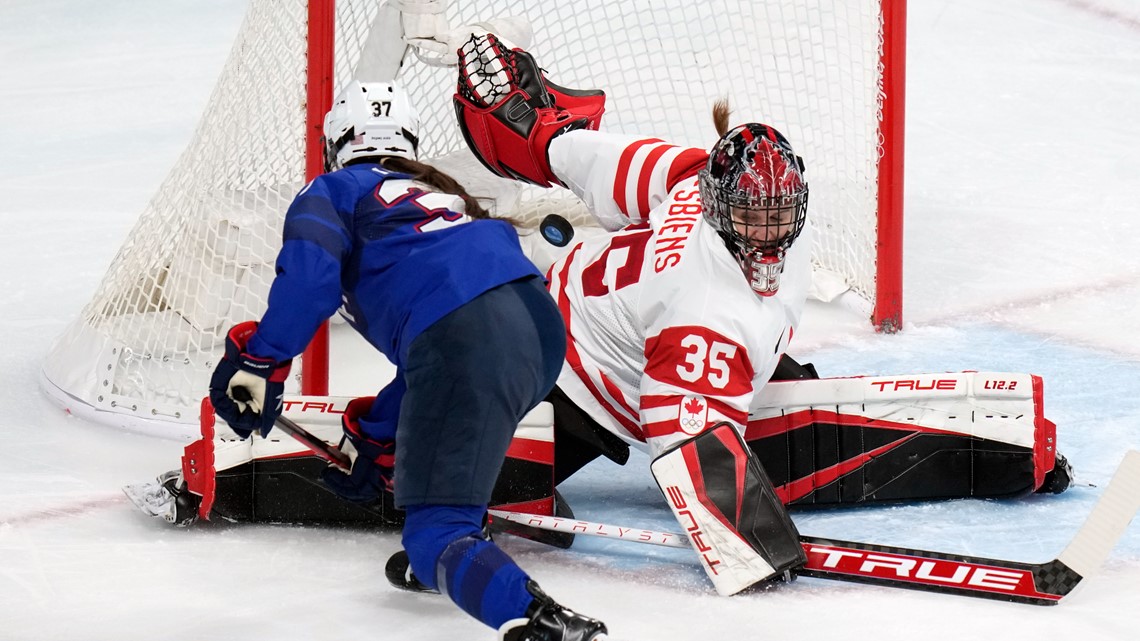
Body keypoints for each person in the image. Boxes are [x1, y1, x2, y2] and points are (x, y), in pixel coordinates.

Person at [207, 79, 608, 641]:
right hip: (539, 333)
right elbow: (443, 359)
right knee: (452, 455)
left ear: (336, 143)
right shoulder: (444, 195)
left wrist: (261, 360)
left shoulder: (333, 189)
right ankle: (465, 546)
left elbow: (309, 284)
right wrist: (379, 433)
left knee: (434, 533)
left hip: (468, 338)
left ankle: (528, 615)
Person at [453, 33, 811, 595]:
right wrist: (752, 548)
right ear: (719, 207)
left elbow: (593, 159)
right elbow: (682, 432)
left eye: (778, 214)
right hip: (568, 376)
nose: (767, 234)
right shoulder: (706, 311)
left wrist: (545, 140)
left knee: (761, 365)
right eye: (749, 217)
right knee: (462, 482)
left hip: (607, 310)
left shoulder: (690, 173)